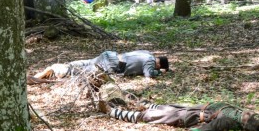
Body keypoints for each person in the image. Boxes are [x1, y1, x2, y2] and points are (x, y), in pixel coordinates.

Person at [98, 97, 259, 131]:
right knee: (164, 107)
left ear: (245, 123)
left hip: (190, 117)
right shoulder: (237, 113)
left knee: (151, 116)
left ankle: (112, 112)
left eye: (249, 116)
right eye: (250, 112)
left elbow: (212, 127)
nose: (247, 112)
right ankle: (137, 102)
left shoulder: (230, 122)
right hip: (194, 108)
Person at [32, 50, 169, 80]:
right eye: (158, 67)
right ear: (159, 64)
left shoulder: (146, 53)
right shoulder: (151, 61)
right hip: (113, 64)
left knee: (82, 64)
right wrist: (158, 73)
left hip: (110, 55)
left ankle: (44, 72)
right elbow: (148, 75)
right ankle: (54, 71)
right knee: (78, 72)